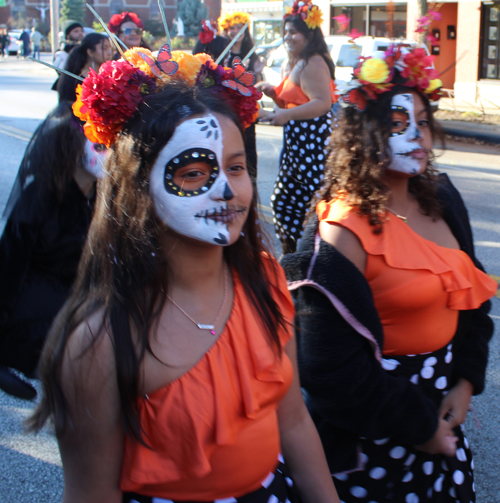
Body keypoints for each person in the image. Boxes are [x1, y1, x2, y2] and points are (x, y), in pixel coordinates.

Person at [27, 49, 340, 503]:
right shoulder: (100, 343)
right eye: (194, 173)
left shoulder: (267, 281)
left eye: (236, 167)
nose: (228, 190)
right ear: (138, 185)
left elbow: (292, 419)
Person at [281, 46, 498, 502]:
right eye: (398, 124)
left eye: (421, 121)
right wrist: (420, 430)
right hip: (374, 437)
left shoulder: (440, 196)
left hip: (442, 418)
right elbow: (327, 371)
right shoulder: (343, 231)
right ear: (364, 134)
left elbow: (473, 298)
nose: (416, 135)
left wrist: (464, 381)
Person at [0, 101, 109, 401]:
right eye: (99, 146)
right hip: (37, 315)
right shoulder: (40, 197)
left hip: (80, 308)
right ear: (72, 148)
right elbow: (8, 266)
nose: (109, 155)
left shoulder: (99, 201)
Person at [259, 0, 336, 254]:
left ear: (308, 33)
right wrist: (273, 95)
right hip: (296, 143)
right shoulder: (292, 61)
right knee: (283, 202)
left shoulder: (314, 62)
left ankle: (315, 255)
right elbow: (293, 99)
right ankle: (292, 254)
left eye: (293, 32)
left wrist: (286, 114)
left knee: (315, 203)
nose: (287, 36)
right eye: (286, 31)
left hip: (314, 141)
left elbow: (322, 103)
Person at [218, 11, 265, 181]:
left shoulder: (253, 55)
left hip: (246, 115)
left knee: (247, 155)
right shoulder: (220, 53)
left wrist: (258, 75)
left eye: (240, 28)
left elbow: (257, 86)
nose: (236, 31)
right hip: (225, 113)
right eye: (232, 28)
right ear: (226, 30)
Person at [57, 33, 112, 103]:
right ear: (90, 52)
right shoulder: (74, 81)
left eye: (110, 48)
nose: (110, 53)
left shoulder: (110, 76)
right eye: (104, 48)